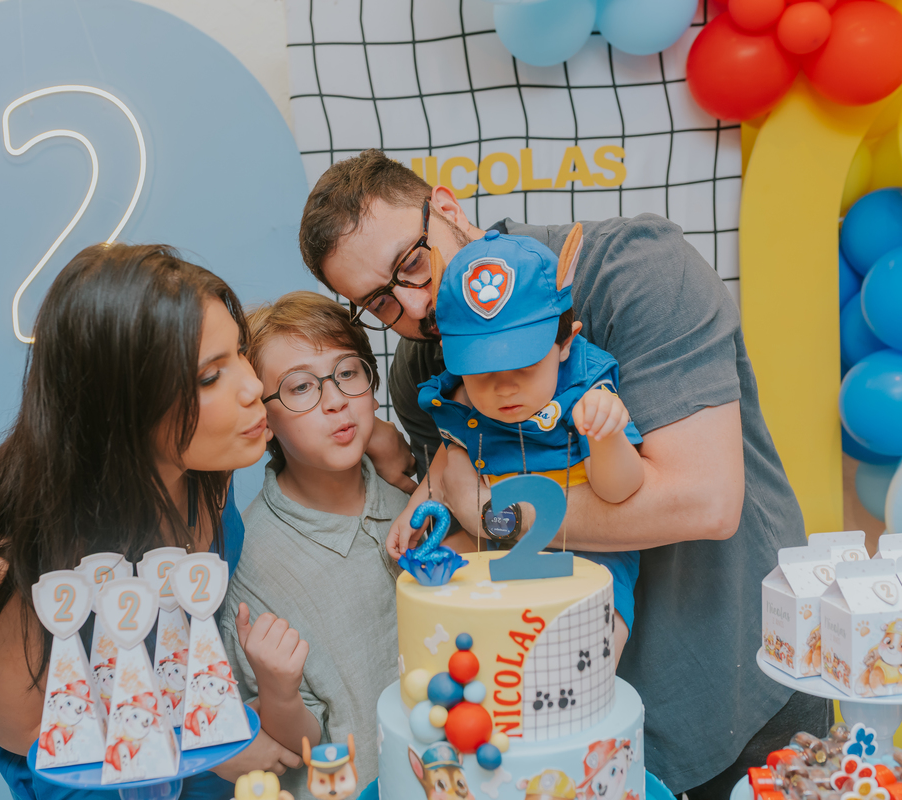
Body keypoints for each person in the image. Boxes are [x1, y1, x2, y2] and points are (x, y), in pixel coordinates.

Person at [297, 150, 830, 798]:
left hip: (735, 694)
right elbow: (483, 550)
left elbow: (704, 503)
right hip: (553, 743)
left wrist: (483, 505)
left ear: (445, 208)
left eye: (412, 263)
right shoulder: (425, 376)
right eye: (379, 302)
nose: (416, 305)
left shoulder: (635, 269)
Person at [0, 244, 301, 800]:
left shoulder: (207, 473)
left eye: (240, 355)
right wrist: (196, 745)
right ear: (119, 406)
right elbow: (35, 741)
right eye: (208, 377)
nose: (254, 388)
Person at [388, 227, 645, 658]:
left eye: (523, 364)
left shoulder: (587, 387)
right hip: (489, 537)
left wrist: (606, 436)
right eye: (482, 368)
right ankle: (467, 693)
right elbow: (452, 457)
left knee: (589, 645)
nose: (503, 388)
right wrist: (416, 507)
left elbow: (620, 492)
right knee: (434, 591)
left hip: (584, 549)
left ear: (564, 342)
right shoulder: (459, 394)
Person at [218, 292, 409, 799]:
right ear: (264, 418)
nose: (335, 400)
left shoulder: (416, 499)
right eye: (300, 386)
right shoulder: (250, 567)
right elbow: (293, 747)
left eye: (348, 372)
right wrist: (279, 689)